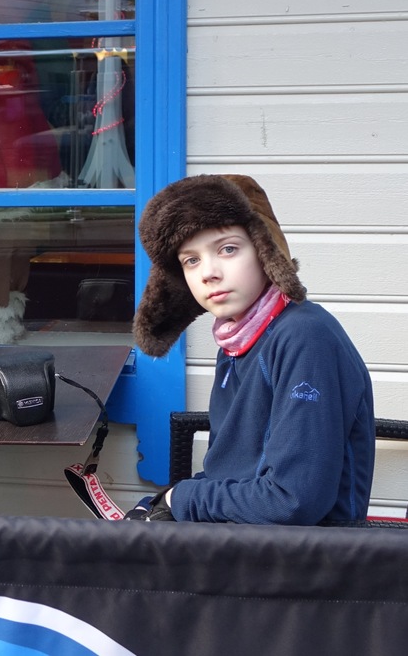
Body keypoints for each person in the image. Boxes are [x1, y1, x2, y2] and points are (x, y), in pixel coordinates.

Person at [128, 174, 375, 524]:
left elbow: (292, 501)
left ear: (264, 250)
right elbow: (230, 473)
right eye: (191, 260)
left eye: (228, 249)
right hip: (244, 537)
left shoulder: (304, 337)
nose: (208, 273)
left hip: (308, 553)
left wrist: (181, 497)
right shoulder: (235, 340)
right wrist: (163, 501)